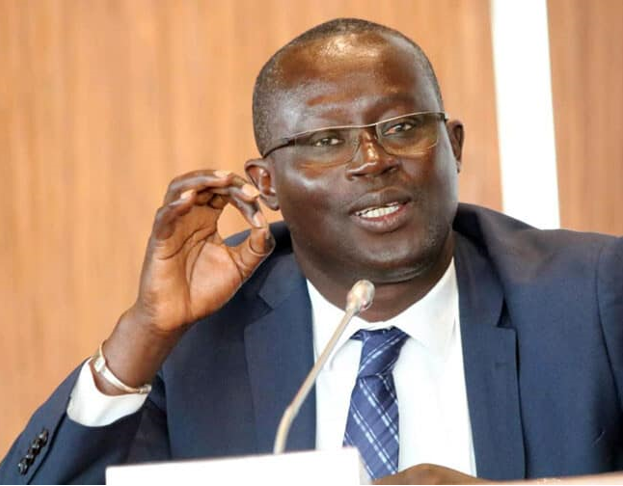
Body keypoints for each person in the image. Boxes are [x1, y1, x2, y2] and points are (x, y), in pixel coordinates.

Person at [1, 17, 622, 485]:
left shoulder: (590, 295)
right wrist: (143, 336)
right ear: (267, 184)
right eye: (326, 140)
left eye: (401, 128)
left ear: (453, 147)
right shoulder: (199, 336)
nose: (373, 161)